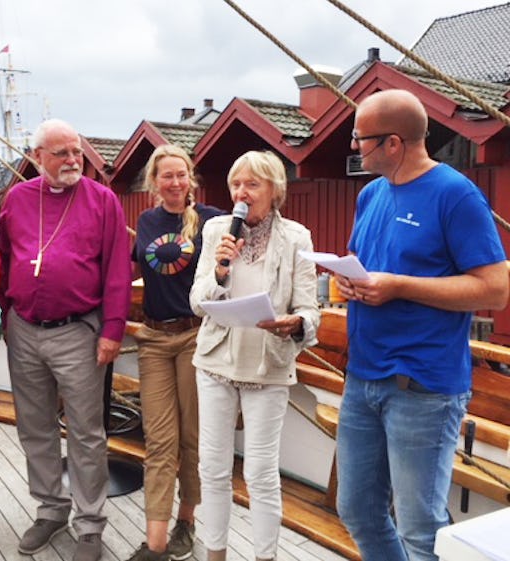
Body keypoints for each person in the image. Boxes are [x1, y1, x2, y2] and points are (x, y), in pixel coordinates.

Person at [334, 89, 509, 561]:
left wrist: (400, 286)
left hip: (423, 389)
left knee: (421, 530)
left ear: (393, 143)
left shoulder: (454, 194)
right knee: (357, 511)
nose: (354, 147)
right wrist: (352, 283)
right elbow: (370, 267)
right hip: (363, 379)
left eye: (359, 138)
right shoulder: (371, 194)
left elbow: (495, 288)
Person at [0, 118, 131, 561]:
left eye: (78, 152)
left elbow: (117, 271)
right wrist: (5, 314)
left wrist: (112, 330)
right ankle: (50, 509)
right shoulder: (16, 200)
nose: (74, 161)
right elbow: (3, 260)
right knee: (34, 427)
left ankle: (89, 525)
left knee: (86, 434)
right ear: (38, 158)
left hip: (78, 331)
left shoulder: (103, 200)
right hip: (25, 330)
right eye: (62, 154)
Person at [189, 150, 320, 561]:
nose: (240, 193)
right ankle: (215, 553)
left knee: (261, 474)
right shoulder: (215, 232)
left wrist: (295, 323)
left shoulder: (297, 237)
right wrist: (220, 273)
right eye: (235, 184)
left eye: (251, 184)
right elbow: (197, 301)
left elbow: (309, 309)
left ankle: (265, 557)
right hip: (214, 364)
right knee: (212, 468)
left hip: (268, 366)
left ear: (274, 190)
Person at [127, 145, 223, 561]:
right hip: (152, 339)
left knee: (191, 438)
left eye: (181, 174)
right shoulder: (147, 221)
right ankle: (156, 543)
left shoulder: (212, 219)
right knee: (160, 440)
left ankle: (187, 522)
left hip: (195, 337)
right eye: (166, 176)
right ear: (154, 182)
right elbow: (129, 271)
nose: (175, 182)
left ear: (191, 178)